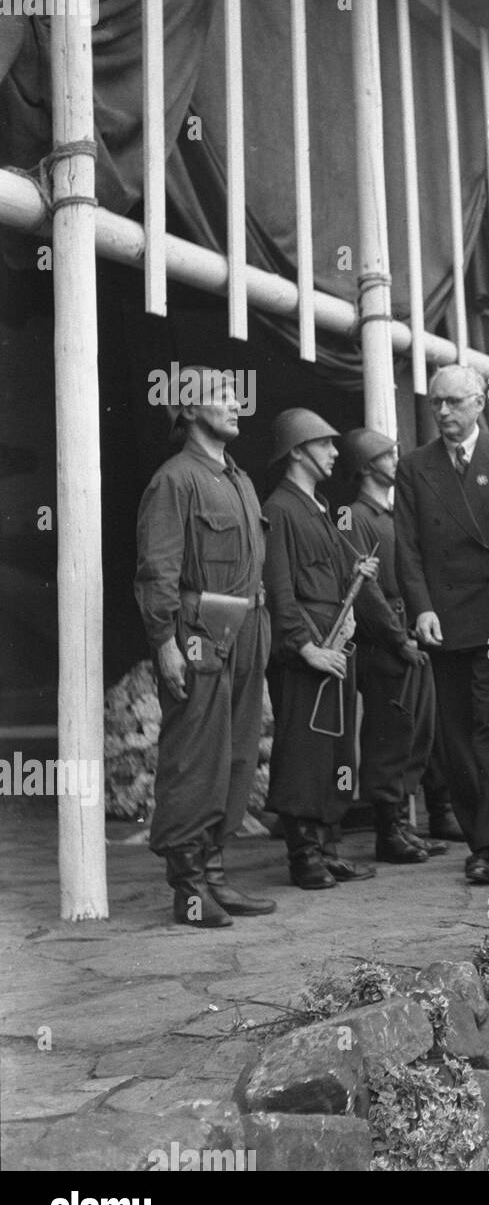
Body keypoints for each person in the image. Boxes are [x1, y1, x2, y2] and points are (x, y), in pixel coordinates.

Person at [135, 368, 275, 928]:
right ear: (188, 411)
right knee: (195, 757)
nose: (236, 403)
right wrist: (164, 642)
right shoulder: (174, 481)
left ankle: (214, 876)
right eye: (222, 397)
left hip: (245, 630)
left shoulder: (238, 479)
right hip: (197, 633)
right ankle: (189, 889)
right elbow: (157, 570)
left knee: (236, 757)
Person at [395, 365, 489, 886]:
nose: (444, 413)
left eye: (455, 402)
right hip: (445, 620)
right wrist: (421, 607)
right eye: (436, 403)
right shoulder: (414, 467)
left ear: (480, 403)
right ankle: (479, 836)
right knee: (455, 735)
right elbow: (406, 547)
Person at [263, 409, 408, 888]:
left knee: (334, 753)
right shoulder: (281, 508)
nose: (333, 454)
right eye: (324, 445)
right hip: (309, 650)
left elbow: (327, 576)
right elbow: (280, 590)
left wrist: (356, 576)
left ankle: (325, 848)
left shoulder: (320, 506)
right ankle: (302, 856)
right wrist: (305, 648)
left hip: (336, 643)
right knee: (303, 753)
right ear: (299, 451)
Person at [336, 428, 441, 866]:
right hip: (385, 640)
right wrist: (398, 640)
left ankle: (402, 824)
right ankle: (388, 830)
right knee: (388, 733)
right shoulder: (352, 515)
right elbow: (363, 589)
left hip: (407, 630)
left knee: (417, 732)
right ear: (364, 466)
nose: (395, 458)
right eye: (385, 454)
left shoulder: (393, 512)